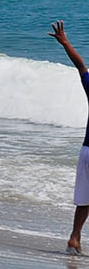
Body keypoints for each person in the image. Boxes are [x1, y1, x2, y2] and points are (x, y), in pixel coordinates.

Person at [53, 22, 89, 250]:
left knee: (86, 199)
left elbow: (81, 67)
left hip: (87, 151)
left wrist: (65, 42)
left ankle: (74, 238)